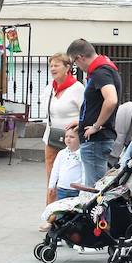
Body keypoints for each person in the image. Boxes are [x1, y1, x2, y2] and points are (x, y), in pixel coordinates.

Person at [66, 38, 121, 186]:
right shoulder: (104, 70)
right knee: (96, 191)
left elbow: (111, 100)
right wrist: (83, 122)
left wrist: (96, 126)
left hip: (96, 141)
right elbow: (98, 103)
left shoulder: (100, 72)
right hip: (97, 140)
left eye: (75, 62)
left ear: (80, 57)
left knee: (95, 194)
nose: (77, 66)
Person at [42, 53, 85, 203]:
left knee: (71, 176)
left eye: (56, 65)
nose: (52, 69)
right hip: (52, 138)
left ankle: (71, 210)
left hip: (73, 140)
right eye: (51, 66)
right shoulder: (50, 88)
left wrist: (77, 124)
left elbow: (86, 113)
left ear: (67, 67)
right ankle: (50, 215)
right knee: (52, 177)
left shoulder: (77, 88)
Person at [47, 126, 86, 202]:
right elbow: (55, 170)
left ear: (80, 139)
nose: (68, 139)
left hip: (76, 190)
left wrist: (83, 189)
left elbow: (84, 172)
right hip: (61, 189)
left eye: (72, 137)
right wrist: (51, 185)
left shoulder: (82, 154)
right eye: (66, 136)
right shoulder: (61, 153)